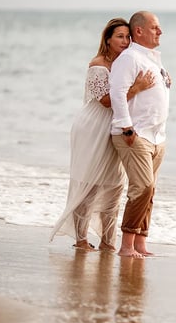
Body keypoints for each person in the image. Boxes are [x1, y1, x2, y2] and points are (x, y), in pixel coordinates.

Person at [50, 18, 155, 251]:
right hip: (94, 127)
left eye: (128, 37)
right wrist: (137, 88)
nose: (125, 41)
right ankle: (80, 240)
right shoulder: (99, 65)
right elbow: (107, 102)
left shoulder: (126, 63)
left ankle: (108, 241)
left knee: (115, 184)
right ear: (107, 39)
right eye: (120, 36)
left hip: (117, 126)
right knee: (91, 182)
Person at [109, 10, 172, 258]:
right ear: (139, 31)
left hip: (157, 136)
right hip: (135, 134)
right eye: (155, 27)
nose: (160, 31)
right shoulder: (129, 58)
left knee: (151, 190)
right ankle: (125, 246)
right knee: (142, 188)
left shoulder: (154, 59)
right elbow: (117, 93)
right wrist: (126, 127)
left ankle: (140, 243)